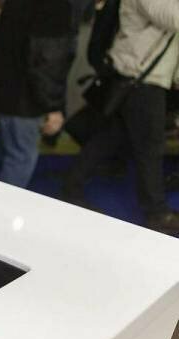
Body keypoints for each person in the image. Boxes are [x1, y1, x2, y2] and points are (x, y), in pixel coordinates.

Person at [62, 0, 179, 235]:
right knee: (150, 146)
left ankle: (71, 187)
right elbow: (173, 17)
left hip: (140, 77)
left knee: (110, 137)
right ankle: (156, 212)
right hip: (141, 81)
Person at [0, 0, 74, 187]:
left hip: (7, 88)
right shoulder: (56, 6)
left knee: (5, 143)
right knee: (21, 157)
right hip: (27, 98)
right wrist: (53, 107)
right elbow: (48, 60)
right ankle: (2, 205)